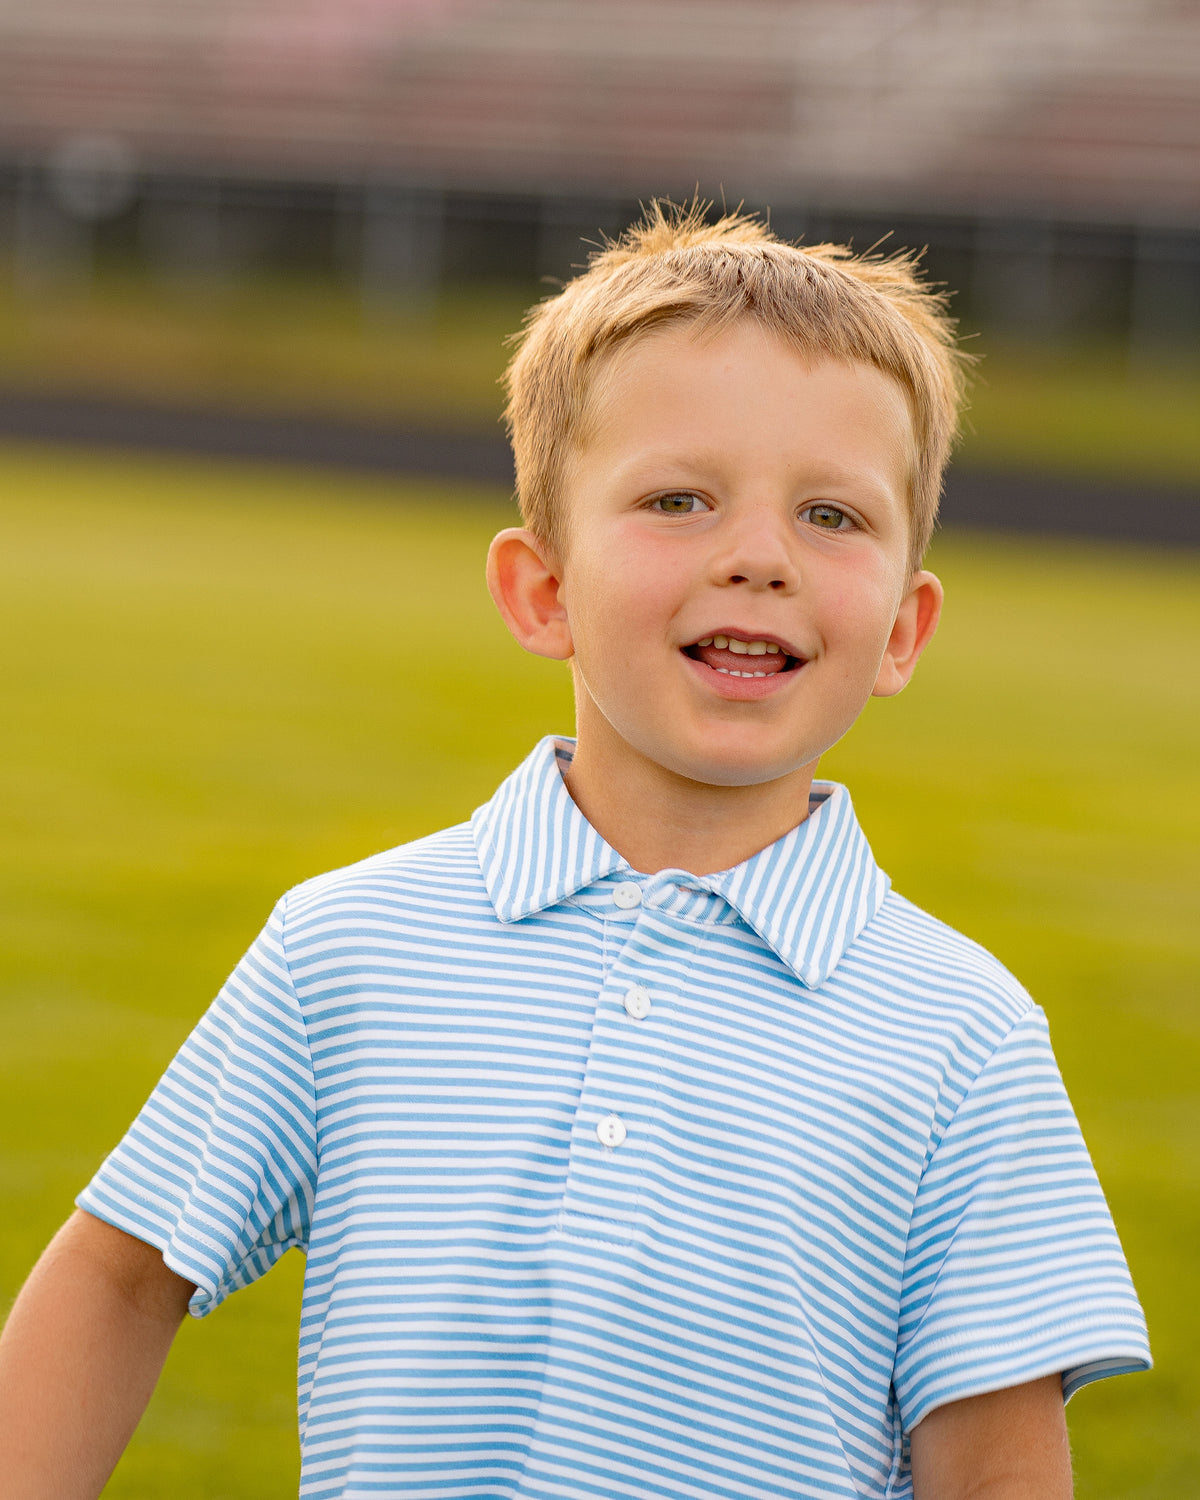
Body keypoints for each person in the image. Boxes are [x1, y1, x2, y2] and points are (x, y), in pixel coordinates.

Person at [0, 204, 1149, 1500]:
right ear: (540, 591)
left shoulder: (961, 1037)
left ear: (903, 628)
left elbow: (996, 1466)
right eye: (678, 499)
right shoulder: (350, 947)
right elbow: (116, 1273)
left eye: (832, 515)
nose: (759, 557)